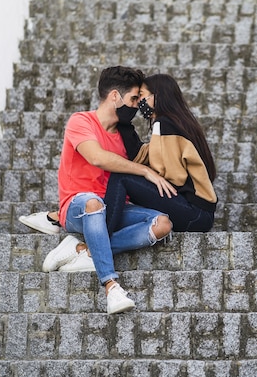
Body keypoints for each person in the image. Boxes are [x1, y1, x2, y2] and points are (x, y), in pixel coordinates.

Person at [41, 65, 176, 314]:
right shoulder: (81, 121)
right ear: (115, 96)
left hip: (113, 210)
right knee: (93, 202)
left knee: (162, 224)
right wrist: (145, 171)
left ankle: (83, 249)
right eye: (134, 98)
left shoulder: (126, 137)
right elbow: (97, 157)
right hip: (78, 207)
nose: (137, 105)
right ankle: (111, 286)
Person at [20, 73, 218, 234]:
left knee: (122, 177)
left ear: (157, 97)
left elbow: (172, 175)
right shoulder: (176, 123)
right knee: (132, 186)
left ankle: (93, 244)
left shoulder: (164, 125)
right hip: (198, 213)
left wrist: (147, 175)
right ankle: (64, 222)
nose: (138, 104)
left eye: (142, 98)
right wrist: (125, 128)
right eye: (135, 98)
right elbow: (146, 155)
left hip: (193, 213)